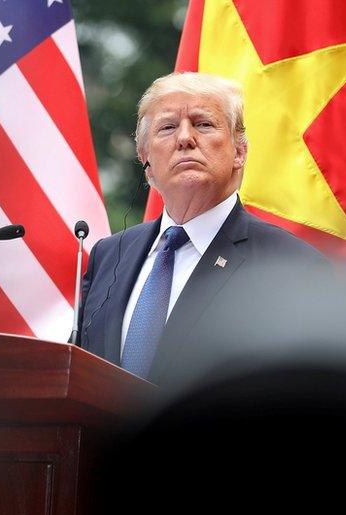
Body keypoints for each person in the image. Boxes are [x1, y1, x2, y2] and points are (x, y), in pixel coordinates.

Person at [77, 72, 328, 388]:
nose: (184, 138)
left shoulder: (292, 266)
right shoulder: (108, 255)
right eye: (167, 127)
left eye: (203, 124)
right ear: (146, 160)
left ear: (239, 152)